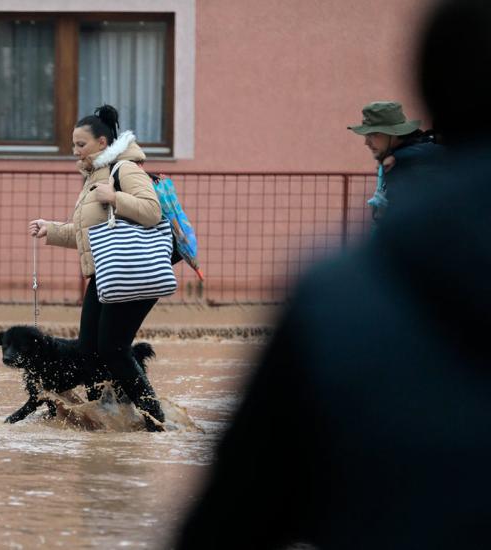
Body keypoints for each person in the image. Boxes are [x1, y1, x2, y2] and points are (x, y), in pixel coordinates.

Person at [175, 0, 491, 548]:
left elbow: (233, 513)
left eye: (372, 134)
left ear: (430, 90)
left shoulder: (339, 293)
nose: (367, 142)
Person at [28, 105, 167, 431]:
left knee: (113, 349)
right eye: (73, 144)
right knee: (90, 351)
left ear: (102, 143)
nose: (74, 151)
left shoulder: (124, 170)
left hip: (130, 273)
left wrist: (116, 198)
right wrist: (52, 229)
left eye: (81, 144)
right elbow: (92, 235)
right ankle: (111, 415)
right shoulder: (95, 176)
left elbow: (152, 211)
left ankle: (156, 420)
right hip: (106, 276)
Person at [348, 101, 441, 224]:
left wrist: (398, 157)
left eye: (374, 135)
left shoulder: (409, 165)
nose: (367, 143)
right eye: (366, 135)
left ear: (394, 133)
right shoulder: (396, 159)